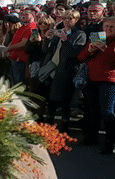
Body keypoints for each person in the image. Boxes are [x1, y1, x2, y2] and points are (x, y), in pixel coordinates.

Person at [42, 10, 86, 132]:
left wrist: (66, 40)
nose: (66, 21)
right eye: (65, 18)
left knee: (65, 100)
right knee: (51, 99)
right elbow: (47, 50)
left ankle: (64, 129)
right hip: (53, 69)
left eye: (70, 19)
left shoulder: (79, 34)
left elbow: (75, 53)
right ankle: (48, 126)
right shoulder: (60, 32)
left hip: (67, 70)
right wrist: (47, 39)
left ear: (76, 20)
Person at [78, 16, 115, 153]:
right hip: (92, 78)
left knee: (107, 111)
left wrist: (104, 48)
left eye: (112, 27)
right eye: (106, 26)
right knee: (92, 109)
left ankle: (110, 141)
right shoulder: (97, 37)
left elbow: (112, 61)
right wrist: (90, 50)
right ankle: (92, 137)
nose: (108, 29)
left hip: (108, 80)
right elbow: (81, 57)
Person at [6, 8, 37, 86]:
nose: (23, 16)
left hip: (22, 60)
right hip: (14, 59)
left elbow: (23, 43)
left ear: (33, 15)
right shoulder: (22, 27)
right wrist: (8, 50)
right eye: (22, 14)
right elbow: (14, 40)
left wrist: (8, 48)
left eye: (26, 14)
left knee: (19, 85)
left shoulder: (32, 27)